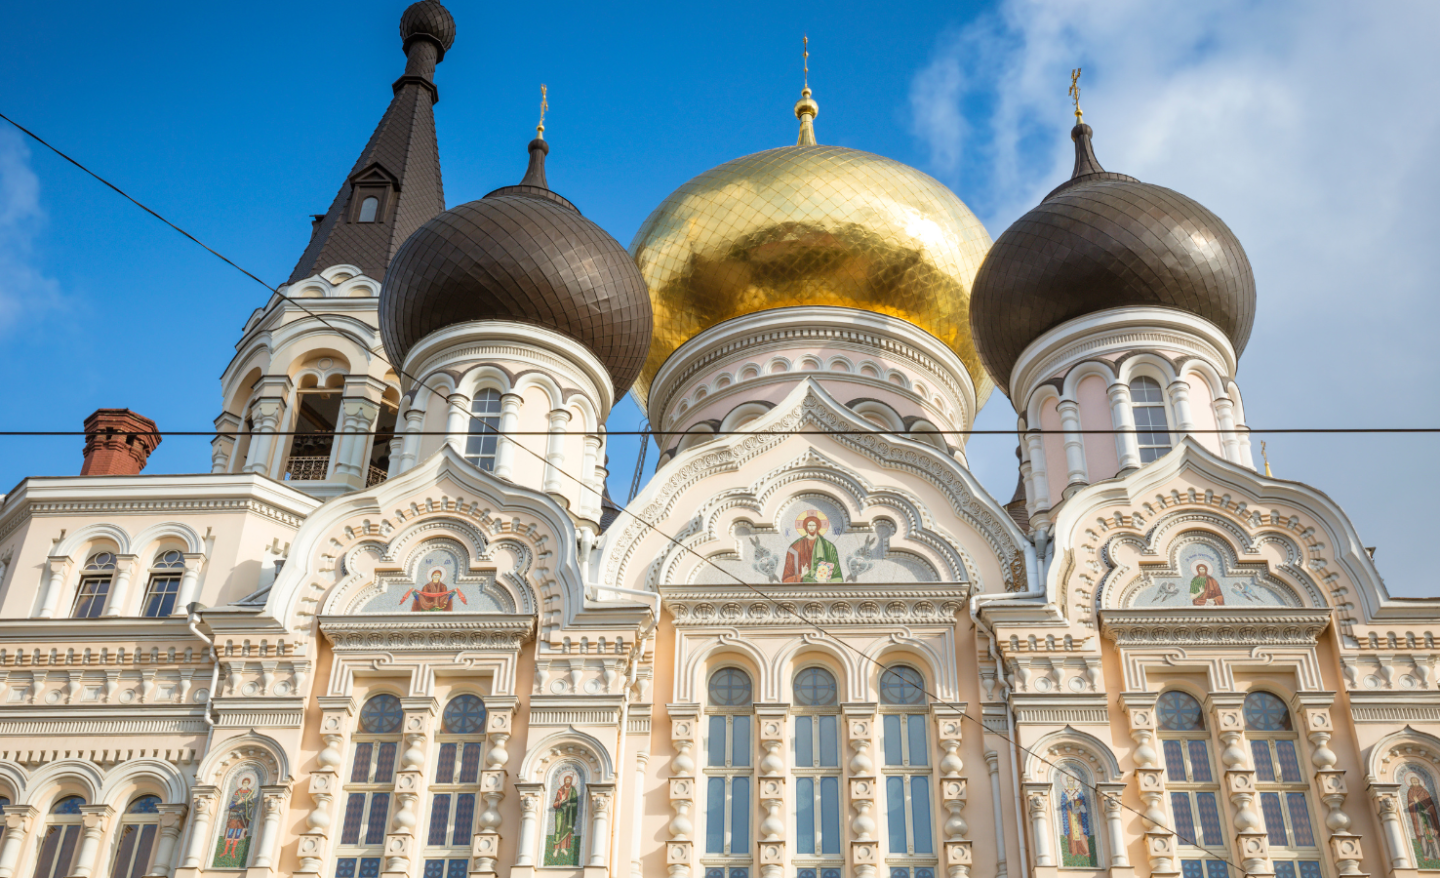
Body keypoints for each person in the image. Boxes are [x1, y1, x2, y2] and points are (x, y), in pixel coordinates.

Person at [782, 514, 844, 583]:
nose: (811, 527)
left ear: (817, 527)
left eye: (813, 525)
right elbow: (786, 581)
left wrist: (826, 582)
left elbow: (839, 579)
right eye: (809, 525)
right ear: (806, 527)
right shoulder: (795, 548)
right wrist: (801, 575)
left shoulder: (829, 547)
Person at [548, 774, 581, 864]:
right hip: (560, 813)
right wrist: (561, 800)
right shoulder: (560, 790)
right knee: (558, 829)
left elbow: (575, 802)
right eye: (566, 780)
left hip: (569, 813)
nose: (567, 782)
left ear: (571, 781)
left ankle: (563, 848)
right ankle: (556, 849)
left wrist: (571, 804)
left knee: (566, 830)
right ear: (564, 781)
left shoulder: (573, 790)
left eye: (569, 781)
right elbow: (555, 804)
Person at [221, 777, 255, 861]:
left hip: (242, 816)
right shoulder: (238, 792)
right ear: (242, 783)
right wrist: (237, 803)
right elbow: (230, 806)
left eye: (247, 783)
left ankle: (233, 852)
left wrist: (245, 808)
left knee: (238, 833)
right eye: (244, 782)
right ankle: (225, 851)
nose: (245, 784)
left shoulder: (249, 793)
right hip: (234, 814)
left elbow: (250, 806)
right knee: (230, 832)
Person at [1060, 775, 1092, 864]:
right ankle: (1074, 850)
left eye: (1072, 780)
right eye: (1069, 781)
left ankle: (1085, 851)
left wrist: (1077, 801)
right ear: (1067, 781)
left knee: (1080, 831)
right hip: (1069, 814)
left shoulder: (1078, 790)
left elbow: (1083, 801)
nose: (1070, 782)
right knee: (1072, 832)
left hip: (1078, 815)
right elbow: (1063, 802)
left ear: (1074, 781)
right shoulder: (1065, 791)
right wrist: (1068, 801)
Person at [1408, 775, 1440, 864]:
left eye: (1416, 782)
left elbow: (1429, 802)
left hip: (1428, 816)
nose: (1415, 783)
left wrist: (1425, 807)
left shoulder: (1424, 791)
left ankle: (1438, 854)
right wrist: (1414, 803)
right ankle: (1426, 856)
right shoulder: (1411, 791)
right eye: (1413, 782)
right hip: (1418, 817)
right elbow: (1410, 803)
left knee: (1433, 835)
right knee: (1422, 836)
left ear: (1419, 782)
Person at [401, 569, 467, 612]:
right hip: (427, 602)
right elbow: (424, 595)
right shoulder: (426, 586)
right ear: (432, 576)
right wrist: (413, 592)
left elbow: (444, 595)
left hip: (439, 601)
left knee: (446, 597)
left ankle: (438, 607)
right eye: (435, 575)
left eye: (438, 576)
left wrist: (454, 591)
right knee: (420, 596)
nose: (436, 577)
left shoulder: (443, 586)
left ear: (440, 577)